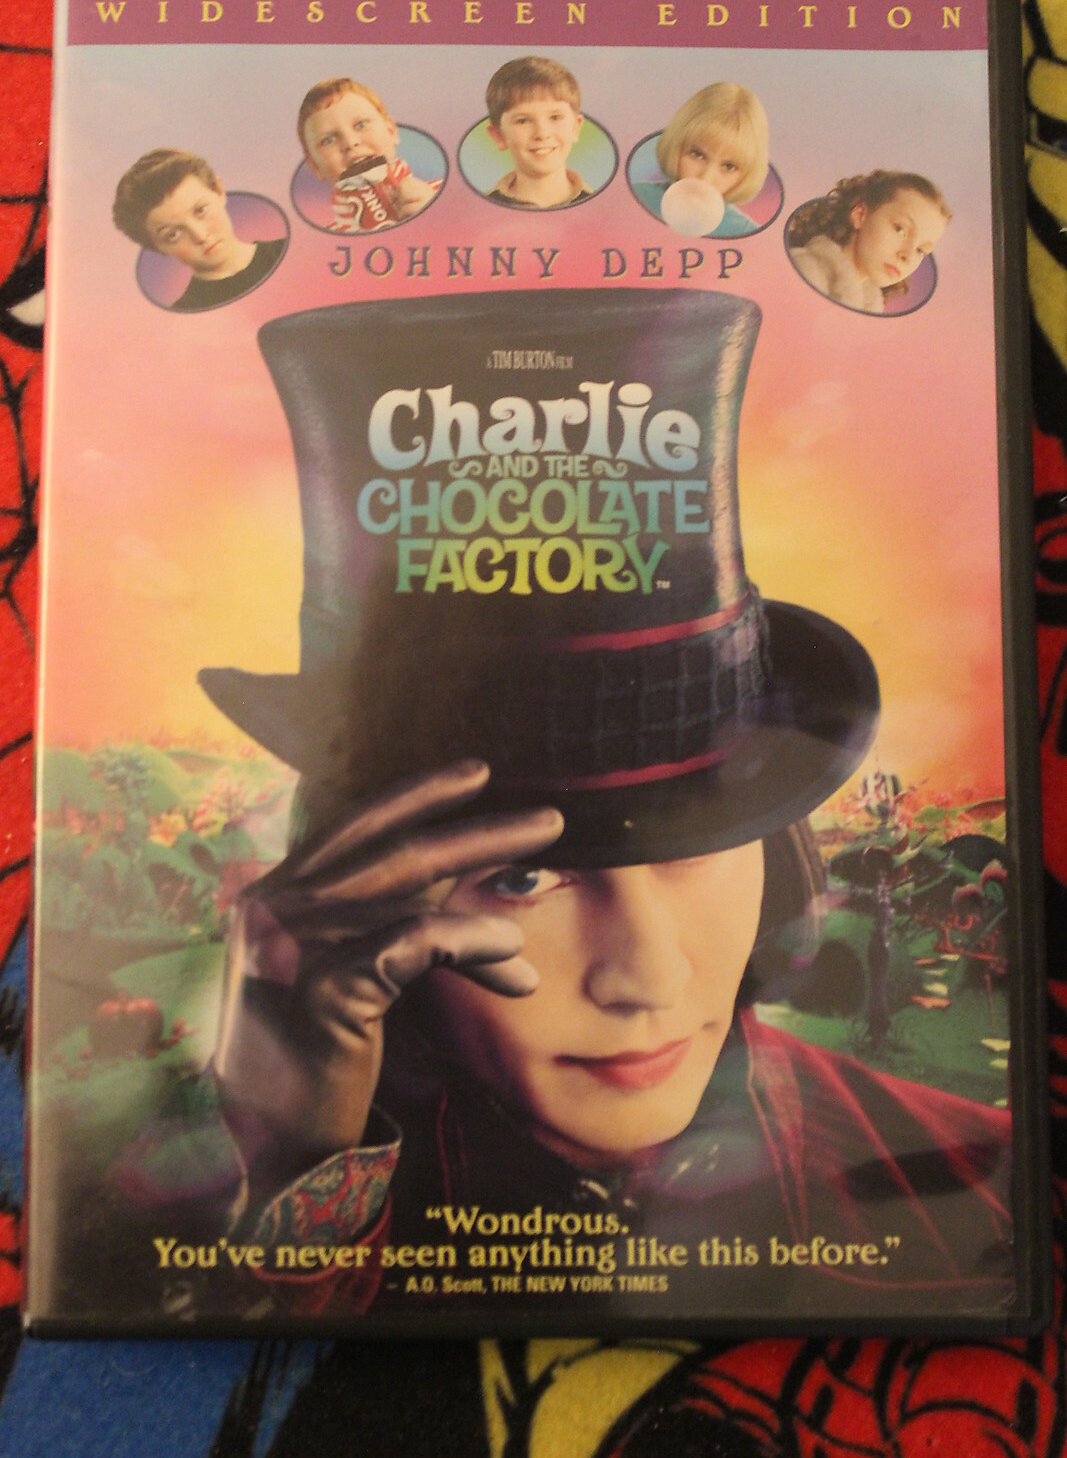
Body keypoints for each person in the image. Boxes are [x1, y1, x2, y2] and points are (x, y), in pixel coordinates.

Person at [39, 289, 1012, 1330]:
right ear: (355, 883)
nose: (648, 978)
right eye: (522, 876)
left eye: (694, 846)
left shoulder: (974, 1195)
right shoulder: (105, 1212)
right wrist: (294, 1161)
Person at [112, 148, 285, 312]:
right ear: (156, 247)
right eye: (173, 234)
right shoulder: (185, 315)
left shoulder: (284, 251)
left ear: (219, 191)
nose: (200, 236)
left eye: (200, 210)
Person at [787, 170, 951, 315]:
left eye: (920, 250)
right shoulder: (805, 271)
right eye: (900, 229)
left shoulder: (870, 305)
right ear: (860, 215)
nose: (907, 256)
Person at [298, 77, 442, 233]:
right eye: (328, 140)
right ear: (314, 166)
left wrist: (438, 217)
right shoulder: (321, 241)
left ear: (391, 131)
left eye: (361, 125)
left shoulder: (444, 197)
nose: (350, 143)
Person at [631, 81, 769, 237]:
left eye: (729, 167)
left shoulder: (747, 234)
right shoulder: (635, 198)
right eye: (697, 155)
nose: (705, 178)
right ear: (677, 146)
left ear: (745, 174)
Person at [484, 56, 593, 209]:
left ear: (575, 127)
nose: (542, 134)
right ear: (498, 136)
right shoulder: (480, 209)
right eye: (523, 121)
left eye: (555, 117)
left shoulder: (603, 207)